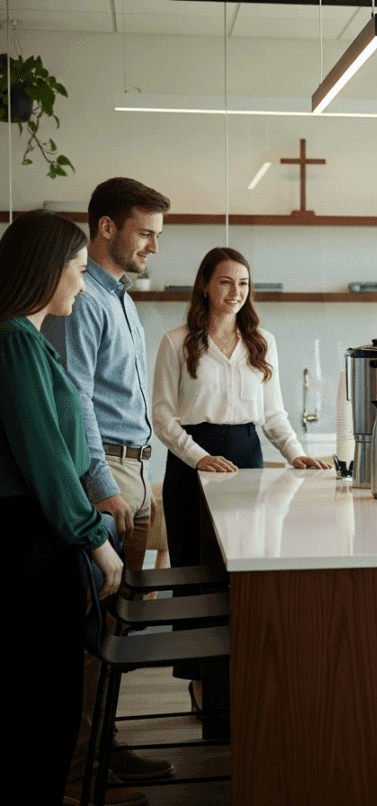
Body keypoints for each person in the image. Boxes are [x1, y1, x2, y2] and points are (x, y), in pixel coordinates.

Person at [152, 246, 330, 711]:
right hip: (193, 464)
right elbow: (163, 416)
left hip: (245, 459)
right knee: (195, 576)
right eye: (227, 282)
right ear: (206, 285)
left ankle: (239, 679)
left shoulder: (261, 341)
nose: (236, 292)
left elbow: (274, 415)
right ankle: (199, 684)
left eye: (244, 283)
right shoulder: (176, 341)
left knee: (241, 572)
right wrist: (198, 456)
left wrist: (296, 454)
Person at [43, 177, 174, 803]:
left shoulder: (116, 296)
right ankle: (78, 774)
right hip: (111, 477)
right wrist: (100, 485)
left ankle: (105, 749)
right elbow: (76, 405)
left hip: (137, 473)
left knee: (117, 623)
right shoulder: (81, 301)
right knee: (95, 627)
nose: (152, 245)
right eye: (144, 232)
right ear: (106, 228)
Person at [0, 210, 123, 804]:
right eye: (76, 270)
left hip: (39, 536)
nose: (81, 282)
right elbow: (47, 462)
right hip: (31, 541)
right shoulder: (15, 341)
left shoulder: (25, 339)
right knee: (43, 701)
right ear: (46, 270)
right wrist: (97, 541)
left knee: (47, 699)